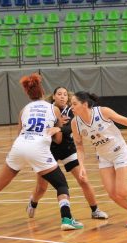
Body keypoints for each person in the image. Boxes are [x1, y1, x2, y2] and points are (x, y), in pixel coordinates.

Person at [0, 73, 83, 231]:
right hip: (38, 148)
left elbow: (18, 134)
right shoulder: (53, 109)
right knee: (61, 184)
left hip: (19, 146)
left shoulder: (24, 110)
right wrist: (57, 129)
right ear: (43, 91)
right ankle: (66, 218)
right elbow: (58, 139)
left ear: (28, 93)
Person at [70, 91, 127, 228]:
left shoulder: (103, 112)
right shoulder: (75, 123)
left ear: (84, 104)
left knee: (122, 191)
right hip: (104, 157)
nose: (71, 107)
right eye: (71, 104)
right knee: (112, 194)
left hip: (119, 152)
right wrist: (82, 166)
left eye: (74, 104)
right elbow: (79, 146)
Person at [27, 87, 108, 220]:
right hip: (47, 150)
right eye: (59, 94)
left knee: (83, 180)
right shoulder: (47, 110)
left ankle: (95, 210)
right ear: (54, 96)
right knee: (41, 187)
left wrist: (58, 127)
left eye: (65, 94)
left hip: (67, 149)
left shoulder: (72, 110)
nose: (62, 97)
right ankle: (33, 202)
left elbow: (70, 127)